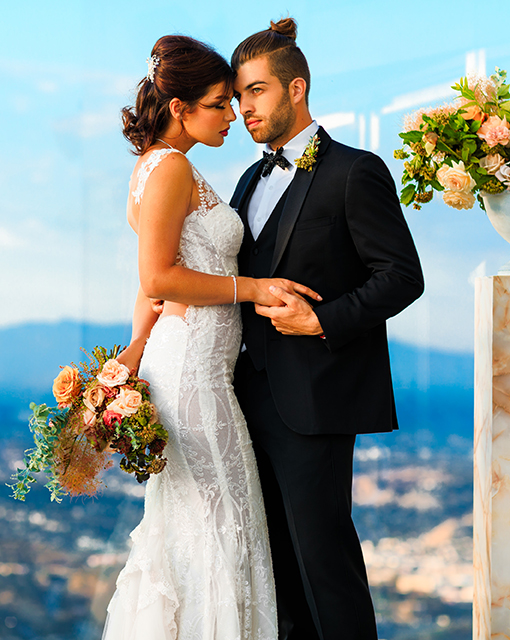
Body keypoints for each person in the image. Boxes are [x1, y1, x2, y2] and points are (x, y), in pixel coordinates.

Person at [103, 34, 320, 640]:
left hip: (188, 366)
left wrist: (133, 352)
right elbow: (158, 277)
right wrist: (255, 288)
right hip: (194, 374)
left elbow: (150, 287)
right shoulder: (170, 168)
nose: (233, 115)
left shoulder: (159, 166)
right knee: (225, 523)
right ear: (180, 108)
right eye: (220, 103)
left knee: (204, 525)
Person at [228, 18, 424, 640]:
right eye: (238, 95)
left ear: (297, 89)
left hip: (315, 397)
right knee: (276, 568)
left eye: (256, 90)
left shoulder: (354, 171)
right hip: (243, 394)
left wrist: (321, 319)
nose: (244, 106)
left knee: (324, 563)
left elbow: (401, 276)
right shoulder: (248, 180)